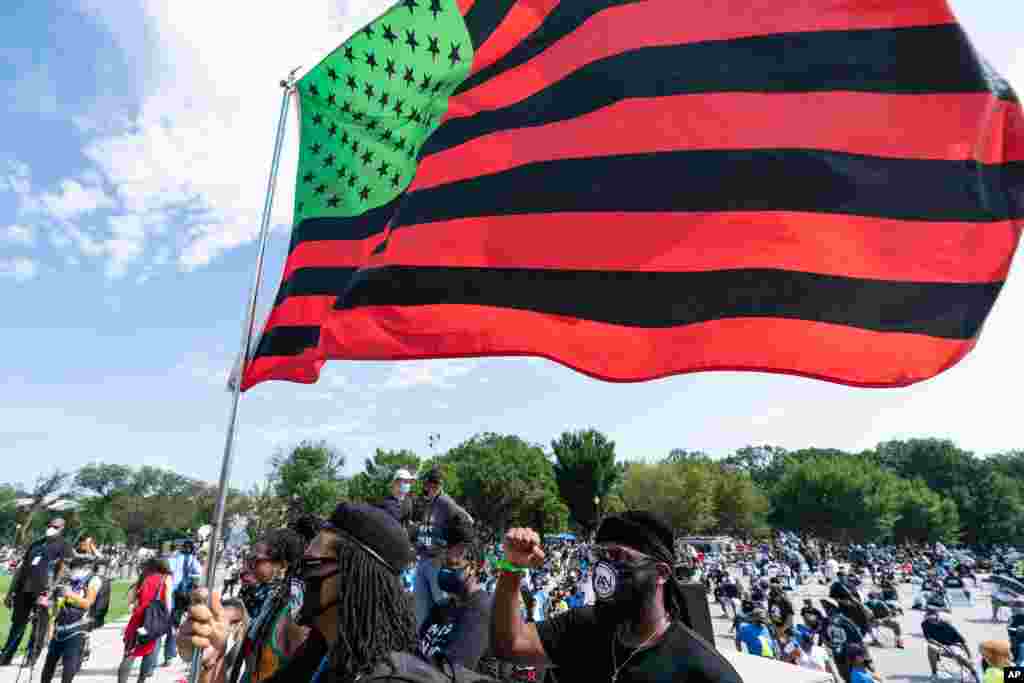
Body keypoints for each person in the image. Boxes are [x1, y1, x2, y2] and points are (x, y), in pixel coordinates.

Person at [180, 502, 493, 683]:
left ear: (354, 579)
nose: (299, 573)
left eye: (312, 562)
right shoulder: (319, 653)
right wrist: (214, 658)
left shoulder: (385, 676)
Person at [491, 511, 743, 682]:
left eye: (619, 557)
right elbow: (509, 645)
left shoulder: (705, 672)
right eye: (601, 555)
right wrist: (512, 566)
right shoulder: (581, 627)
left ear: (661, 574)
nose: (605, 568)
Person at [228, 528, 307, 683]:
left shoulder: (294, 612)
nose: (247, 568)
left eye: (255, 561)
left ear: (282, 566)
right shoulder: (273, 599)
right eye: (247, 560)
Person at [418, 515, 491, 671]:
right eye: (443, 564)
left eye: (453, 565)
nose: (445, 570)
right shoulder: (440, 609)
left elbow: (452, 672)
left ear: (477, 566)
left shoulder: (482, 611)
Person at [1, 517, 73, 665]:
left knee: (39, 626)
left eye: (55, 526)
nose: (51, 527)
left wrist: (50, 591)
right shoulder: (36, 544)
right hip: (23, 591)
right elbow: (21, 569)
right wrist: (10, 593)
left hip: (43, 593)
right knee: (17, 624)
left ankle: (31, 657)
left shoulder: (64, 546)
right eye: (50, 524)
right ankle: (6, 655)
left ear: (62, 528)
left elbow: (63, 570)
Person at [413, 467, 473, 631]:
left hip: (437, 562)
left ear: (439, 485)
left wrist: (450, 551)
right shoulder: (427, 502)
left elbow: (468, 521)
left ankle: (446, 642)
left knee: (443, 606)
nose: (431, 486)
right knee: (421, 608)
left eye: (435, 483)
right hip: (423, 560)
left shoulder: (445, 502)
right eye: (429, 482)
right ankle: (422, 644)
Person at [39, 554, 104, 683]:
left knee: (69, 664)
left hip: (77, 628)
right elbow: (56, 603)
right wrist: (47, 602)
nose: (72, 571)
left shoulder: (93, 580)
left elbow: (88, 603)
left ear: (85, 568)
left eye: (75, 568)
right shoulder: (67, 579)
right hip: (59, 626)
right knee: (49, 663)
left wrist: (70, 594)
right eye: (72, 568)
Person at [119, 557, 172, 683]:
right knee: (149, 651)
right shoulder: (166, 578)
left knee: (129, 653)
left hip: (137, 618)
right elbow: (168, 602)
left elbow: (130, 600)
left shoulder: (143, 577)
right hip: (152, 620)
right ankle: (141, 680)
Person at [165, 540, 202, 667]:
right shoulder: (193, 560)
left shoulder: (174, 558)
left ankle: (169, 654)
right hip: (186, 595)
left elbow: (168, 570)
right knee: (191, 622)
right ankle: (185, 653)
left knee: (173, 624)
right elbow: (198, 575)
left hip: (173, 593)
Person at [922, 607, 972, 681]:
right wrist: (942, 646)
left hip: (953, 645)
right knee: (930, 647)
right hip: (940, 646)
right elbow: (929, 639)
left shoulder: (946, 625)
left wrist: (970, 657)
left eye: (933, 618)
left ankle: (972, 671)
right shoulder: (925, 624)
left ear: (937, 617)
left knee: (959, 656)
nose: (931, 620)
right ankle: (934, 673)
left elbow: (963, 641)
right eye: (929, 618)